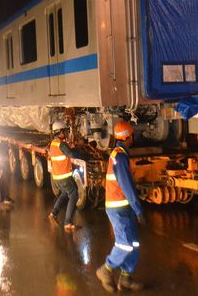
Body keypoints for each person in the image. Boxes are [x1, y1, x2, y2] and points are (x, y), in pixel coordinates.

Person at [96, 120, 146, 292]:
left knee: (133, 243)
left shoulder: (120, 153)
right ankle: (106, 270)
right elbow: (127, 186)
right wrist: (139, 209)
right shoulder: (120, 156)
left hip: (123, 207)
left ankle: (125, 278)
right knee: (124, 244)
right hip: (119, 208)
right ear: (129, 136)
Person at [47, 119, 85, 231]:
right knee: (74, 195)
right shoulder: (61, 144)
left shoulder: (53, 144)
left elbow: (65, 151)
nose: (66, 133)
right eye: (65, 131)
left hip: (57, 176)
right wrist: (80, 147)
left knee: (64, 193)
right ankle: (68, 223)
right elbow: (72, 154)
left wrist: (73, 146)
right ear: (60, 132)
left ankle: (53, 214)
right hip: (64, 176)